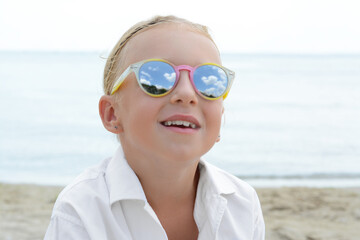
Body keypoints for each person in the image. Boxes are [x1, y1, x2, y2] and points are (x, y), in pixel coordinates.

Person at [44, 15, 265, 240]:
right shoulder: (80, 212)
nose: (187, 94)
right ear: (112, 114)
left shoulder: (243, 205)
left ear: (220, 119)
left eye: (208, 81)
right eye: (157, 78)